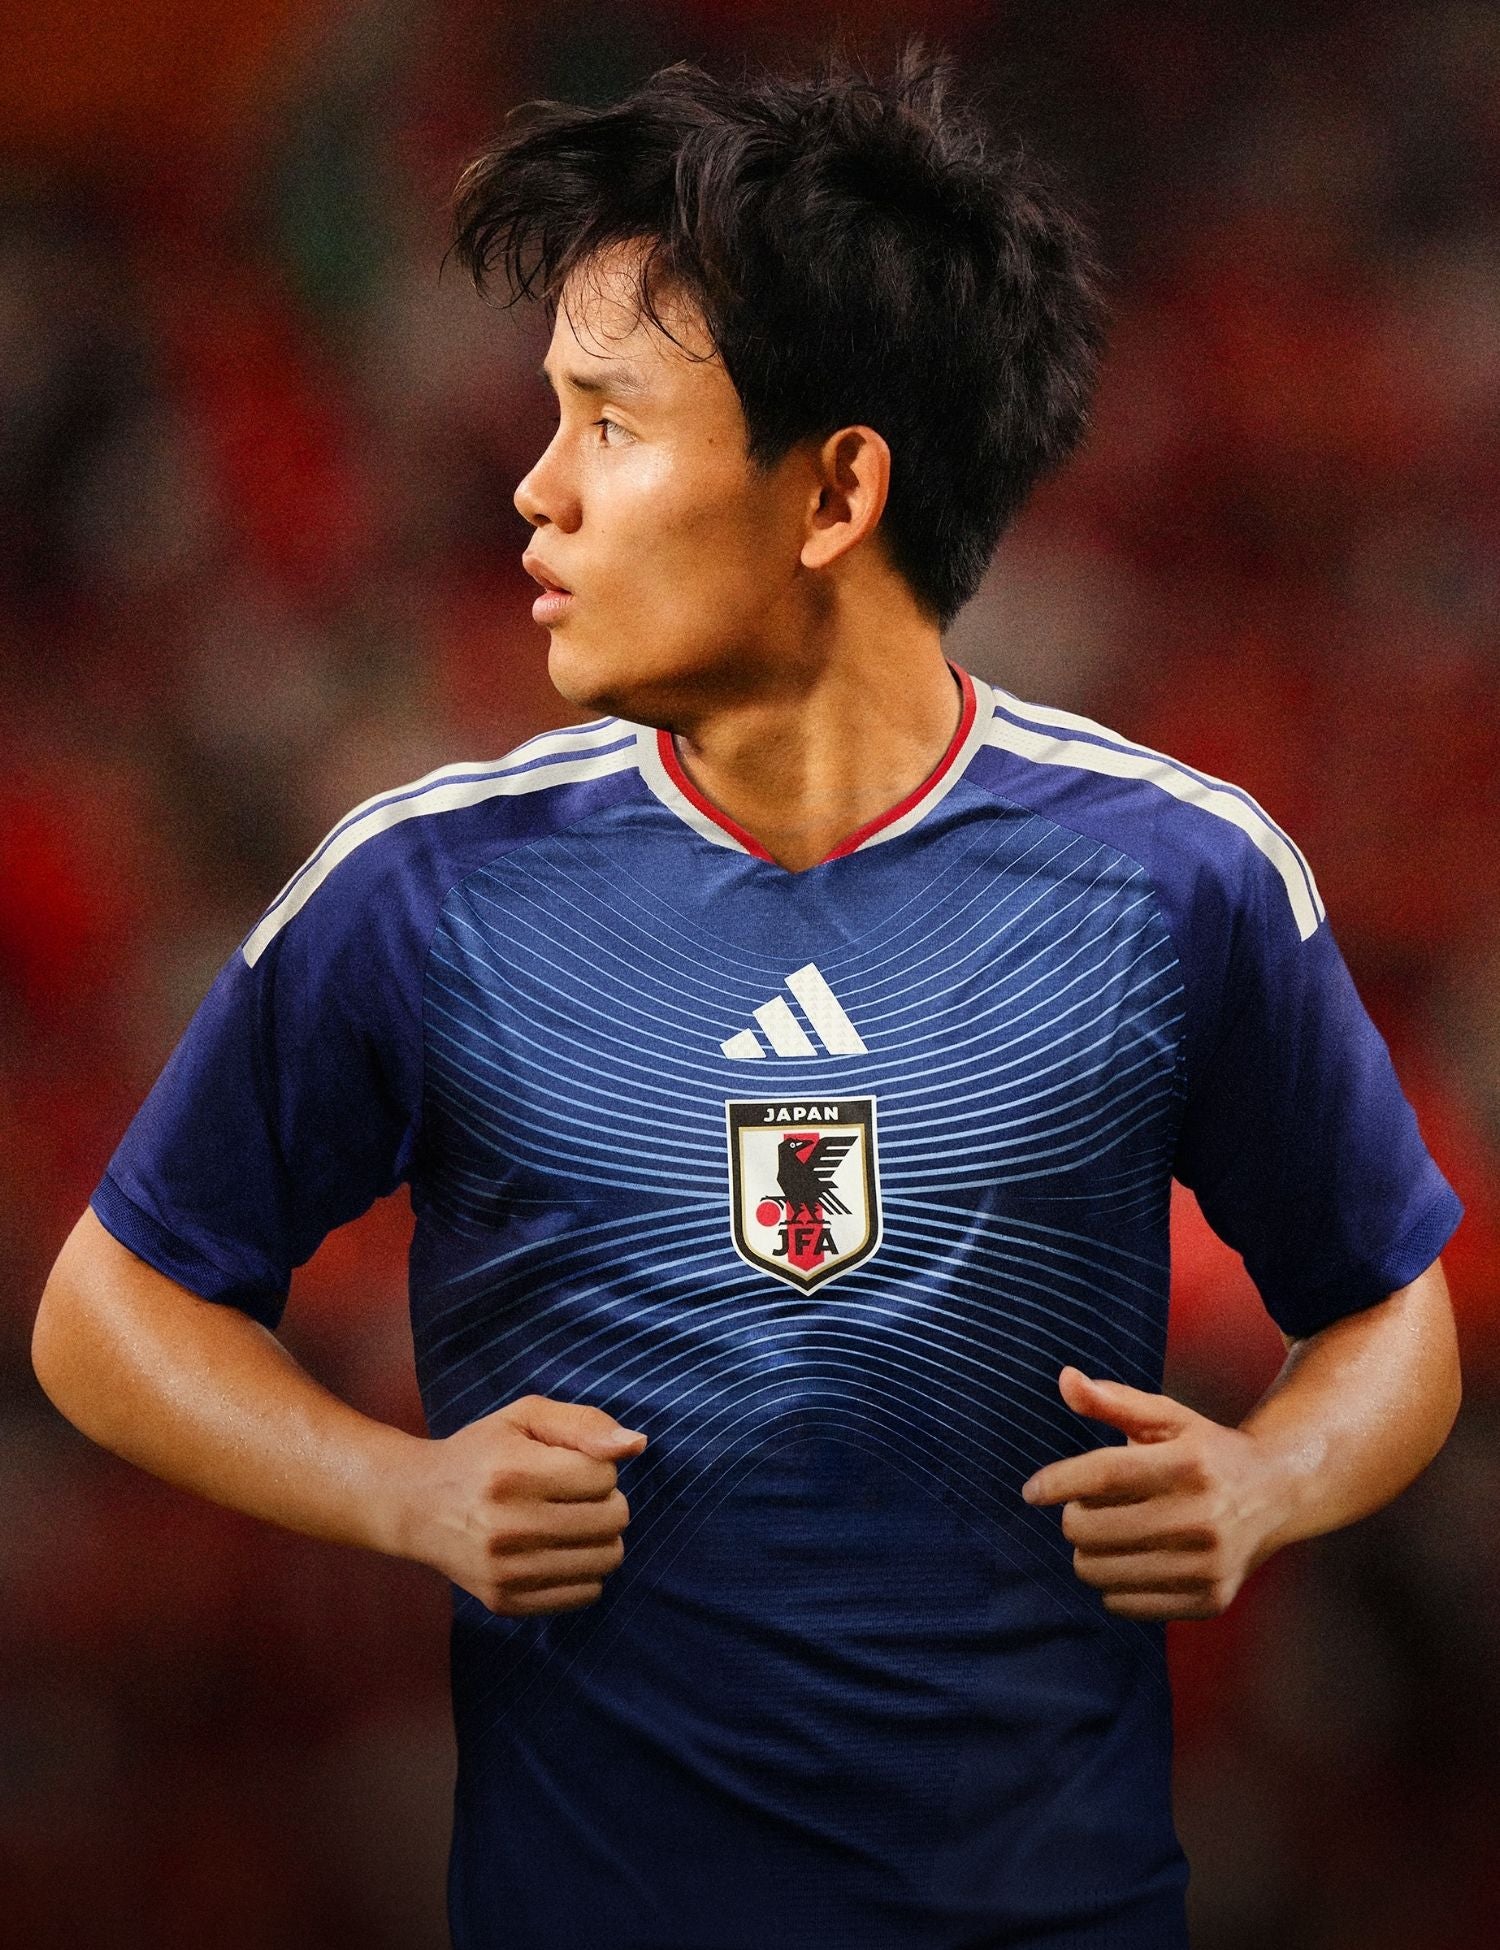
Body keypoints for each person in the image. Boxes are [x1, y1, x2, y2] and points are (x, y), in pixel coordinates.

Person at [32, 38, 1464, 1950]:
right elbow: (103, 1316)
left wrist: (1273, 1480)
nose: (532, 492)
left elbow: (1394, 1314)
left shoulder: (1178, 880)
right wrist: (404, 1492)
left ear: (835, 489)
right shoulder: (422, 890)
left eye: (608, 425)